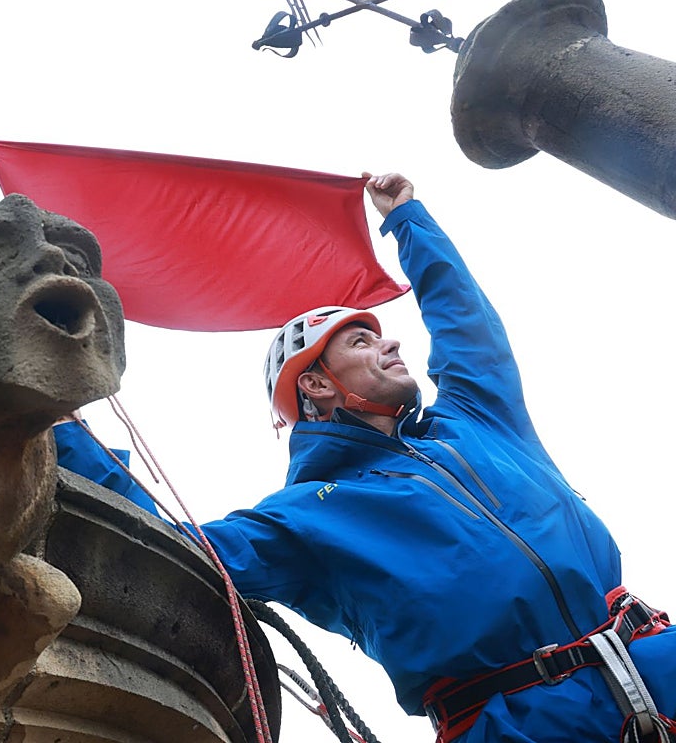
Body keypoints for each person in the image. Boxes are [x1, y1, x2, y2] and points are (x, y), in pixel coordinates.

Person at [59, 173, 674, 743]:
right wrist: (63, 430)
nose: (391, 341)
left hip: (657, 657)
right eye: (361, 341)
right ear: (318, 386)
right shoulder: (307, 517)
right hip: (518, 722)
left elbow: (468, 325)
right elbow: (176, 548)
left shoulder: (475, 422)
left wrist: (408, 218)